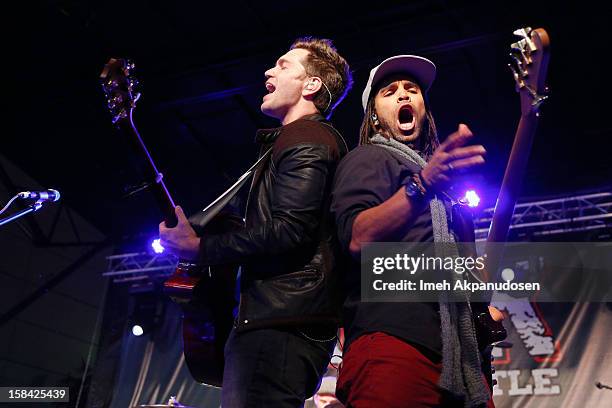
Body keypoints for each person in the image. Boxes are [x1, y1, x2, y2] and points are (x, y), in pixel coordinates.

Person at [159, 37, 352, 407]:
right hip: (281, 322)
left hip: (279, 324)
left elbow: (291, 228)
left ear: (311, 85)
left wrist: (201, 248)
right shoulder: (295, 139)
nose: (268, 70)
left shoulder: (307, 136)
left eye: (283, 65)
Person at [330, 55, 497, 407]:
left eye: (412, 90)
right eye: (390, 92)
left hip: (460, 360)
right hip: (395, 341)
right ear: (374, 115)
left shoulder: (448, 190)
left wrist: (480, 306)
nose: (404, 96)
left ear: (424, 107)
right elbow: (359, 238)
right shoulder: (369, 159)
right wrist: (422, 184)